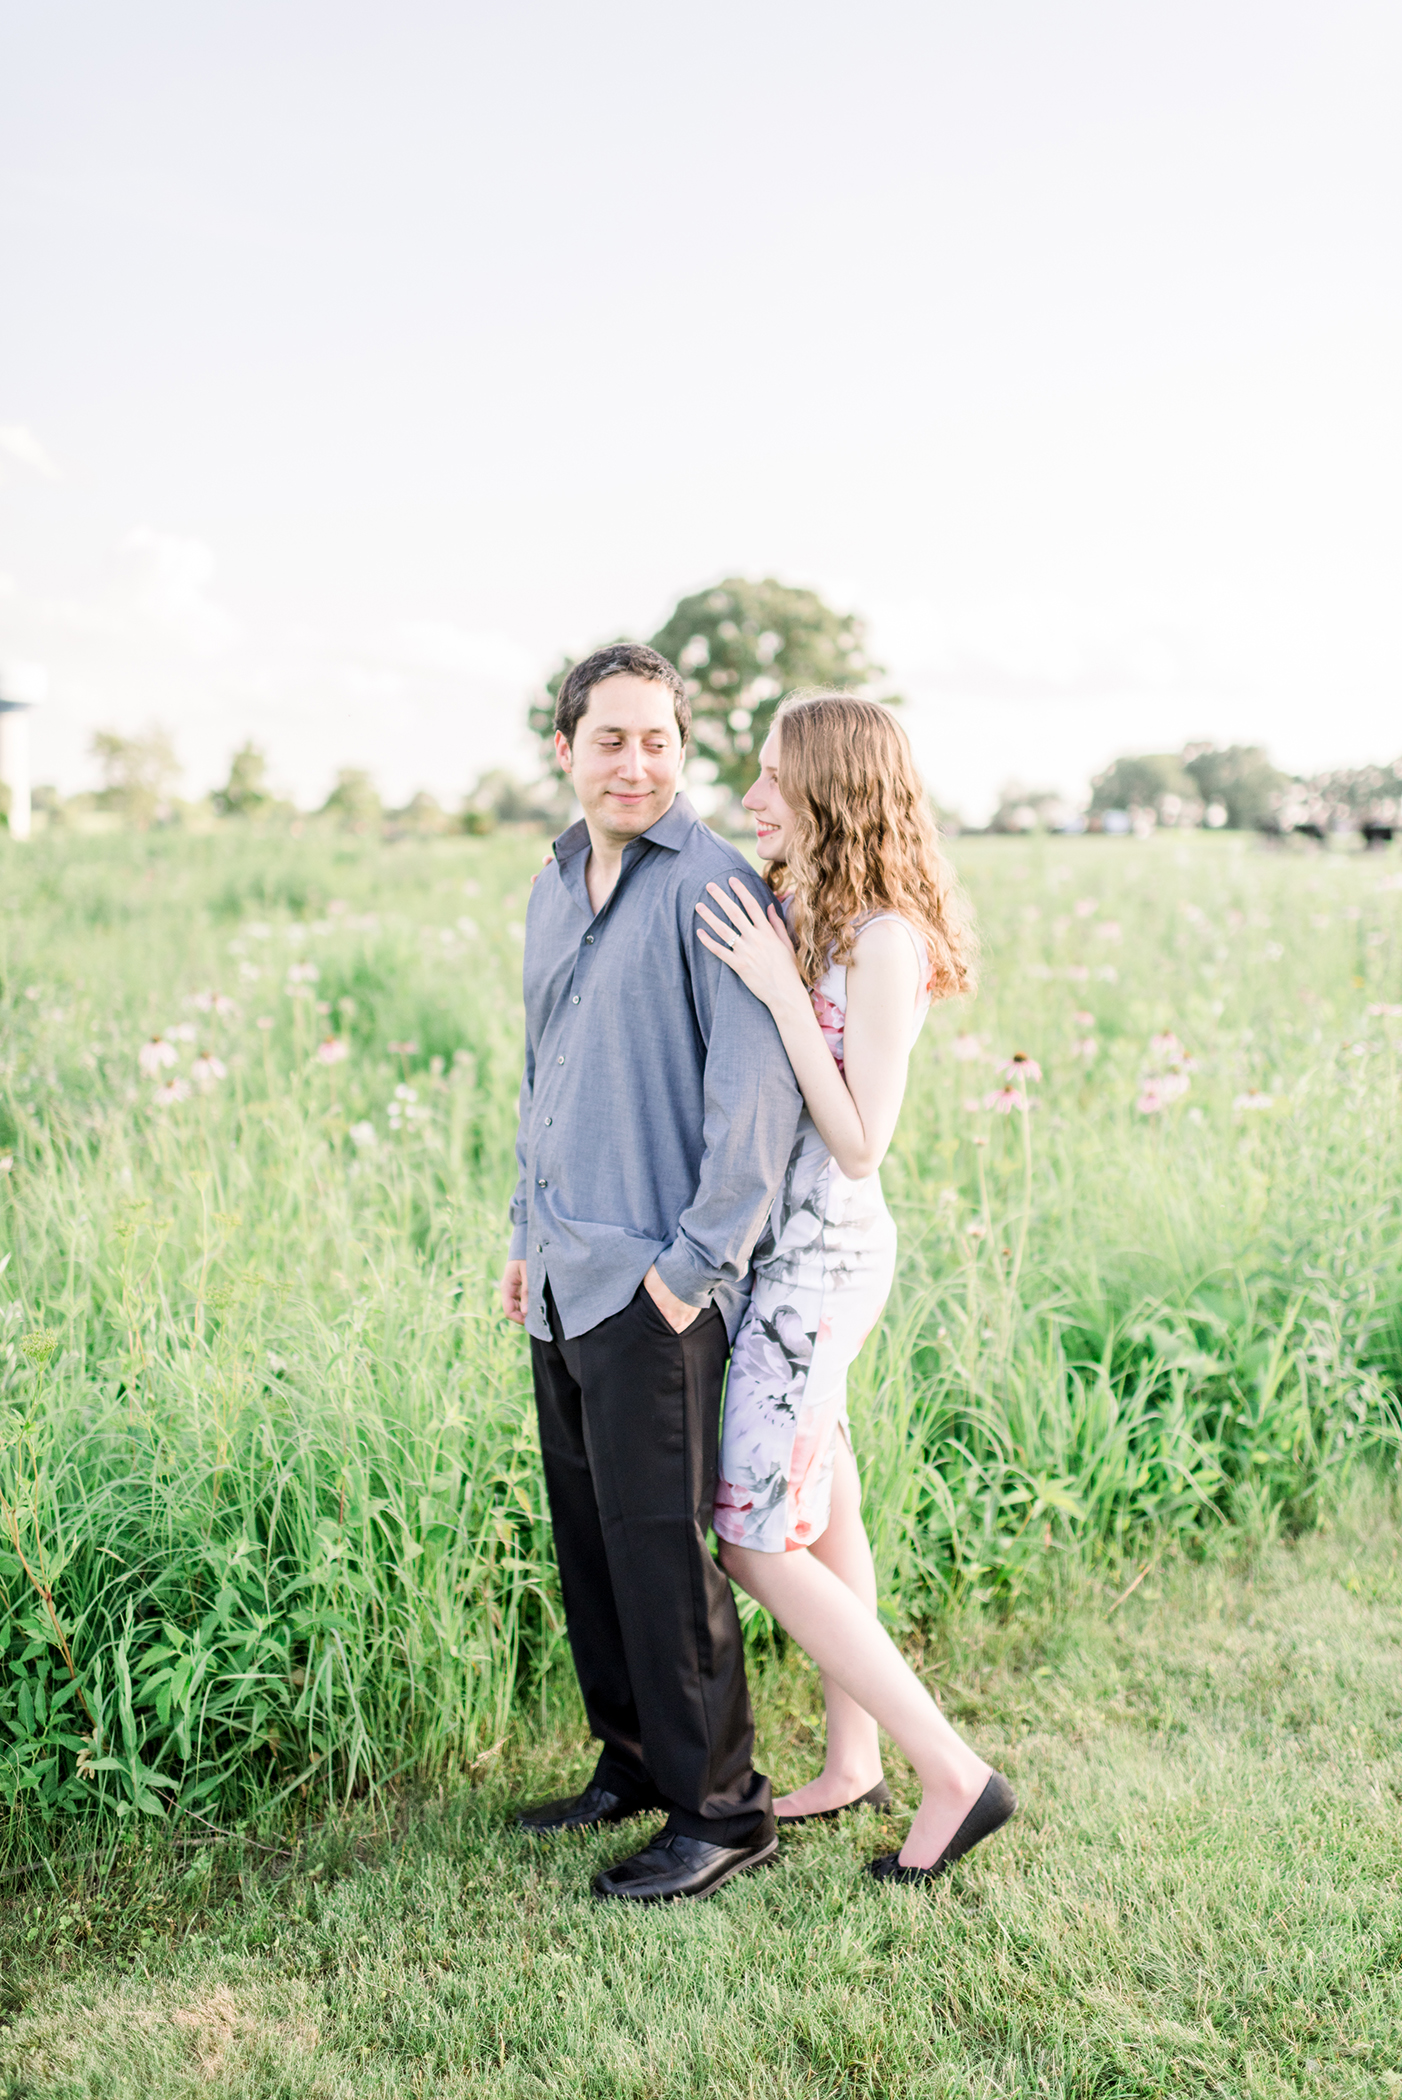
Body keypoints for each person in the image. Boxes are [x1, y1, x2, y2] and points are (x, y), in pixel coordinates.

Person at [693, 692, 1017, 1884]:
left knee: (753, 1539)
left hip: (823, 1265)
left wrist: (784, 993)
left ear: (829, 788)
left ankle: (952, 1772)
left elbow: (860, 1138)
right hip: (792, 1258)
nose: (750, 797)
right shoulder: (814, 910)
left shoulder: (879, 939)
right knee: (829, 1509)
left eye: (774, 776)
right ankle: (853, 1760)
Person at [500, 642, 802, 1904]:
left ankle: (722, 1812)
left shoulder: (717, 891)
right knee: (591, 1543)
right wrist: (523, 1238)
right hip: (565, 1270)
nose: (634, 762)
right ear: (563, 749)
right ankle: (629, 1766)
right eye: (609, 739)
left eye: (657, 741)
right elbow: (541, 1072)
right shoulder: (554, 883)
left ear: (684, 752)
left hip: (654, 1284)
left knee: (663, 1553)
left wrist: (691, 1270)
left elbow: (754, 1096)